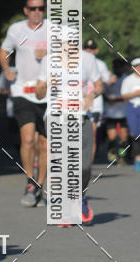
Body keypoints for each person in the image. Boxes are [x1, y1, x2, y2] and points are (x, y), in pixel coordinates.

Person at [36, 34, 102, 224]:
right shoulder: (48, 61)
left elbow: (99, 85)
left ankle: (80, 196)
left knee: (85, 166)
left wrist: (91, 95)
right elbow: (39, 93)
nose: (70, 44)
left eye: (74, 40)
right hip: (56, 115)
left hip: (82, 116)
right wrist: (45, 84)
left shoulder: (88, 59)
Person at [0, 0, 50, 207]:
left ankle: (41, 184)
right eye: (33, 8)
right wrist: (7, 69)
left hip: (48, 93)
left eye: (41, 8)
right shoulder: (16, 29)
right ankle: (30, 181)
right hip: (22, 91)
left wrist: (50, 51)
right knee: (28, 139)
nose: (37, 12)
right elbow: (3, 51)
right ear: (26, 10)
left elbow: (71, 53)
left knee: (45, 144)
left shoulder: (54, 29)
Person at [83, 39, 112, 160]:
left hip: (95, 104)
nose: (89, 51)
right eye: (86, 49)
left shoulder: (100, 64)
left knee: (92, 135)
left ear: (96, 51)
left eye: (92, 49)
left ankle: (87, 165)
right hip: (78, 104)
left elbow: (107, 81)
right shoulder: (76, 61)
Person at [103, 58, 131, 163]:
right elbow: (102, 92)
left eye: (120, 67)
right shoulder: (108, 79)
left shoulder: (126, 79)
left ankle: (122, 157)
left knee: (124, 136)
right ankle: (112, 152)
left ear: (123, 68)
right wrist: (108, 97)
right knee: (112, 136)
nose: (118, 69)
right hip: (110, 113)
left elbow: (129, 94)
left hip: (124, 112)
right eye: (116, 67)